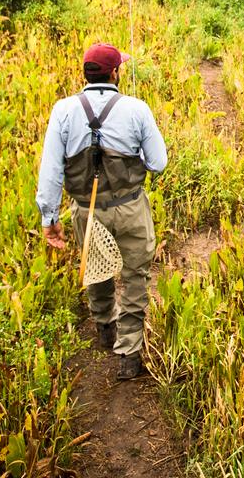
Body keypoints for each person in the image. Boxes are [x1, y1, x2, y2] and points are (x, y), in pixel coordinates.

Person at [35, 42, 168, 380]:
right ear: (114, 74)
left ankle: (104, 327)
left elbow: (50, 171)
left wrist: (49, 219)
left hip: (86, 211)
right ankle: (128, 355)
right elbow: (158, 163)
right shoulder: (137, 109)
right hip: (130, 209)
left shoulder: (63, 111)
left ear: (86, 73)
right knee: (135, 278)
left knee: (97, 270)